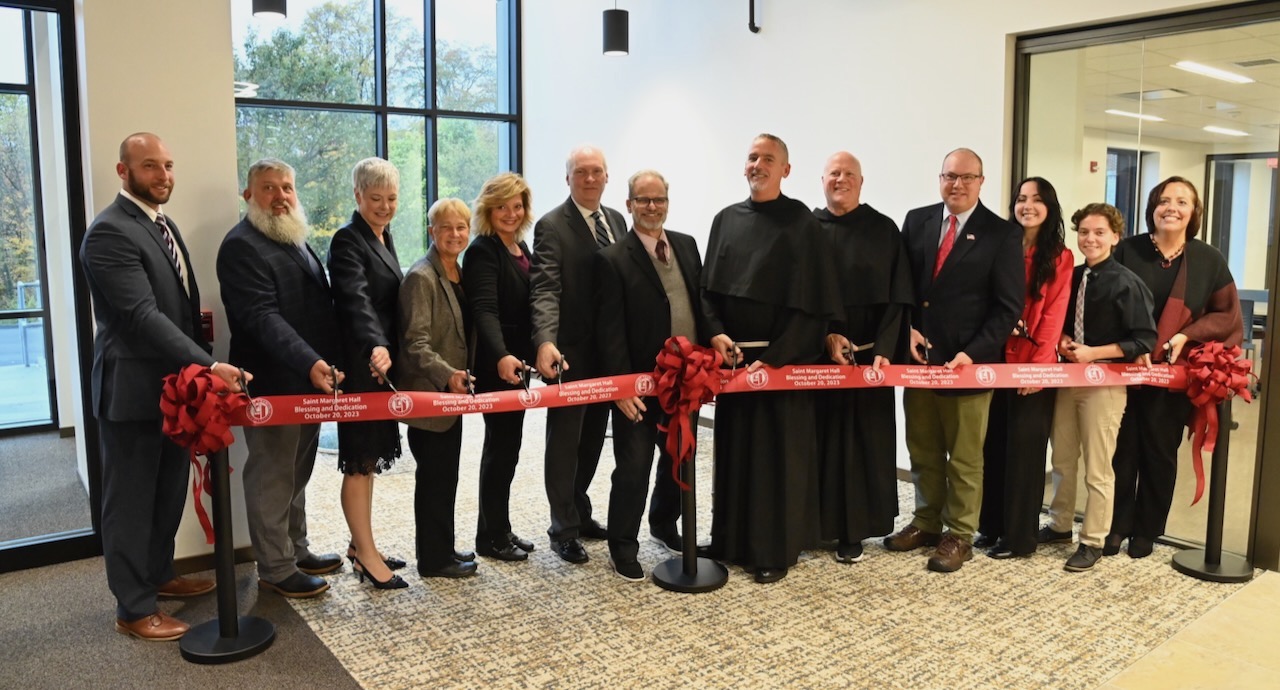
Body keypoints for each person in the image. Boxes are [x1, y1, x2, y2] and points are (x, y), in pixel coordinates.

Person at [81, 132, 249, 641]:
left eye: (169, 165)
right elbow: (141, 316)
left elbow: (180, 308)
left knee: (167, 491)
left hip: (174, 390)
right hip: (131, 393)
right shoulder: (109, 233)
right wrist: (209, 364)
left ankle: (158, 575)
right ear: (123, 171)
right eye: (150, 165)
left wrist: (198, 371)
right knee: (130, 501)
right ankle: (133, 608)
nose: (163, 175)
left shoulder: (162, 224)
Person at [701, 133, 841, 584]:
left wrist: (777, 357)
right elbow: (707, 292)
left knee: (777, 458)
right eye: (751, 157)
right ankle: (729, 541)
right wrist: (717, 335)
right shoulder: (725, 220)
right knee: (735, 453)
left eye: (767, 158)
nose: (757, 165)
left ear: (786, 170)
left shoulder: (802, 223)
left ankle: (773, 550)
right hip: (734, 362)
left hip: (782, 364)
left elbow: (814, 305)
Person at [885, 148, 1024, 573]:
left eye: (966, 177)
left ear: (981, 181)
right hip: (920, 362)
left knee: (964, 459)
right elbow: (903, 286)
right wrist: (907, 328)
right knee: (923, 449)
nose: (957, 184)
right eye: (950, 176)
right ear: (940, 179)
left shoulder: (1002, 234)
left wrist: (974, 352)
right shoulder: (918, 221)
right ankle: (926, 522)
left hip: (968, 365)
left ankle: (960, 534)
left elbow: (1007, 307)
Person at [217, 158, 345, 598]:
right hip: (272, 383)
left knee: (297, 471)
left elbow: (316, 308)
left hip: (307, 382)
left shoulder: (292, 237)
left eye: (286, 187)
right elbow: (262, 317)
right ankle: (275, 567)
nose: (280, 196)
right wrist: (311, 362)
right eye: (269, 188)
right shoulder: (241, 246)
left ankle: (296, 549)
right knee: (272, 475)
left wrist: (326, 362)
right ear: (248, 195)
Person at [1108, 176, 1242, 558]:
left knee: (1160, 451)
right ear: (1152, 206)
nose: (1172, 208)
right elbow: (1104, 300)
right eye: (1164, 200)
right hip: (1124, 369)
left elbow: (1227, 315)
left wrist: (1187, 334)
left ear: (1194, 212)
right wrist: (1129, 345)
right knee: (1120, 451)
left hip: (1172, 374)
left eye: (1182, 202)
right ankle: (1116, 525)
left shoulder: (1208, 259)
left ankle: (1147, 530)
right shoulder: (1127, 250)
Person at [594, 170, 703, 582]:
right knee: (634, 466)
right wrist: (621, 387)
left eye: (659, 199)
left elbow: (700, 304)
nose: (652, 207)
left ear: (668, 203)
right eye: (643, 200)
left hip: (686, 382)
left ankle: (663, 523)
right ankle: (623, 545)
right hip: (639, 387)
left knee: (678, 456)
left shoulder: (687, 246)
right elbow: (609, 330)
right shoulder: (612, 259)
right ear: (629, 205)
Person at [1046, 203, 1156, 572]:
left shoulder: (1127, 282)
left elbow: (1143, 340)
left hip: (1104, 385)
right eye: (1084, 232)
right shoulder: (1073, 277)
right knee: (1062, 458)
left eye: (1099, 232)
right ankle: (1059, 525)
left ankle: (1092, 540)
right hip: (1068, 379)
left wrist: (1094, 353)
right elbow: (1060, 322)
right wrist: (1063, 340)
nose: (1090, 239)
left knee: (1098, 467)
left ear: (1115, 237)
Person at [815, 152, 913, 564]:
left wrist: (886, 350)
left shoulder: (884, 229)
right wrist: (823, 336)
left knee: (862, 445)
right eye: (834, 173)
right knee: (820, 442)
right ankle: (816, 525)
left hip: (872, 360)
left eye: (849, 174)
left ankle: (853, 531)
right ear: (822, 180)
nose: (841, 179)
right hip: (818, 360)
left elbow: (898, 298)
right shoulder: (808, 229)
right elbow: (799, 295)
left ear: (861, 181)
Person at [529, 145, 621, 563]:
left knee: (593, 440)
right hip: (569, 355)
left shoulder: (616, 220)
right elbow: (545, 288)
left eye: (596, 171)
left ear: (607, 177)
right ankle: (562, 528)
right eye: (581, 172)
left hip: (610, 354)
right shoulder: (552, 225)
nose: (589, 178)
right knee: (566, 443)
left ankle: (579, 511)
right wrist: (545, 340)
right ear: (567, 178)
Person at [975, 177, 1073, 559]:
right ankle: (992, 527)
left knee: (1025, 454)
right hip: (996, 361)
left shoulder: (1059, 257)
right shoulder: (1002, 245)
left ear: (1050, 207)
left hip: (1033, 366)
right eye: (1020, 198)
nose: (1027, 205)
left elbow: (1053, 316)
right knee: (995, 446)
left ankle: (1019, 539)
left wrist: (1037, 370)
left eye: (1036, 199)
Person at [327, 157, 407, 590]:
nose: (384, 206)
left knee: (370, 460)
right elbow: (355, 300)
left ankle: (362, 545)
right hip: (362, 365)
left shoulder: (383, 235)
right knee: (358, 463)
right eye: (375, 198)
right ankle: (366, 556)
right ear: (357, 195)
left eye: (391, 198)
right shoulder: (347, 239)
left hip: (382, 365)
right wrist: (376, 345)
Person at [399, 198, 479, 579]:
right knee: (433, 481)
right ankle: (433, 560)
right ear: (432, 231)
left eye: (461, 227)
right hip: (431, 397)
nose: (455, 234)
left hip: (452, 399)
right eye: (446, 227)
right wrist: (448, 375)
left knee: (446, 477)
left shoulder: (457, 272)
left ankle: (443, 547)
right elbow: (415, 344)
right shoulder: (421, 276)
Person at [464, 172, 538, 561]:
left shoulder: (520, 247)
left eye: (517, 206)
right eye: (502, 207)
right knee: (499, 449)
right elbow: (484, 311)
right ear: (488, 210)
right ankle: (490, 538)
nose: (511, 213)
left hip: (519, 364)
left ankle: (500, 527)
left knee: (509, 449)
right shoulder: (483, 250)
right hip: (499, 366)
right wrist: (501, 355)